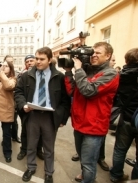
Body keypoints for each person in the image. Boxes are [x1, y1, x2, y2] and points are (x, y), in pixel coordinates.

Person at [64, 42, 119, 183]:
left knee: (89, 162)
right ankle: (85, 175)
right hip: (80, 123)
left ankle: (88, 179)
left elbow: (89, 91)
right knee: (83, 158)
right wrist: (69, 71)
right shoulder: (87, 70)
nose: (93, 55)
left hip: (94, 126)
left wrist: (79, 69)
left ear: (108, 56)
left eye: (98, 53)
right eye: (92, 52)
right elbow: (72, 91)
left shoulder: (111, 74)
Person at [15, 47, 71, 183]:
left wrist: (63, 118)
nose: (38, 62)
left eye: (42, 59)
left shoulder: (59, 77)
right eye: (36, 59)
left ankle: (49, 173)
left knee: (48, 147)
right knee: (31, 144)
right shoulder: (26, 75)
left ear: (50, 59)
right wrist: (23, 105)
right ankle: (31, 167)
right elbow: (18, 92)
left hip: (50, 117)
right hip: (32, 115)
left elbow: (65, 100)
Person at [110, 48, 138, 182]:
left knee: (120, 149)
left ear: (127, 60)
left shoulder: (120, 75)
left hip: (125, 117)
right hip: (136, 118)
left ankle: (116, 175)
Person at [16, 54, 44, 161]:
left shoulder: (43, 74)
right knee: (25, 131)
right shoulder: (23, 75)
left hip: (41, 111)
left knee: (40, 132)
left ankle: (38, 150)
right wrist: (23, 105)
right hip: (26, 110)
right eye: (27, 61)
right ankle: (23, 149)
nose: (29, 63)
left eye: (31, 60)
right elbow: (18, 92)